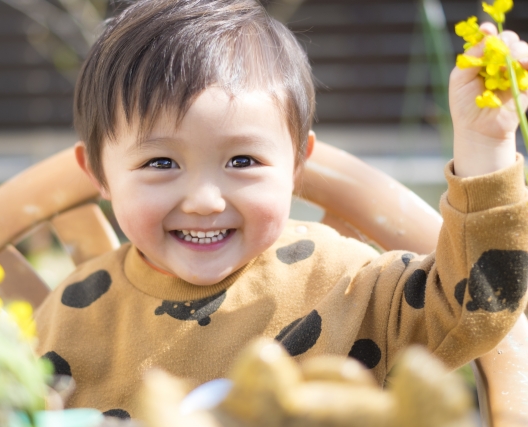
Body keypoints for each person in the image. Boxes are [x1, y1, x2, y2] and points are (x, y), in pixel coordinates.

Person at [35, 0, 528, 419]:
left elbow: (477, 306)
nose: (205, 200)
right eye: (161, 162)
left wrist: (485, 144)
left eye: (242, 160)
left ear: (296, 165)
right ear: (98, 171)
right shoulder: (72, 316)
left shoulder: (350, 283)